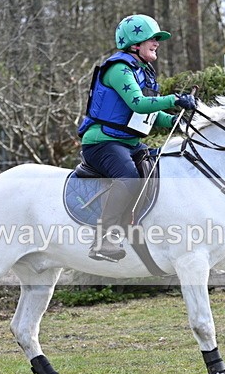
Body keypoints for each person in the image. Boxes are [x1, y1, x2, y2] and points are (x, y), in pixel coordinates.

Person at [78, 14, 196, 262]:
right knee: (129, 177)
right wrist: (175, 99)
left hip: (129, 144)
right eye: (152, 39)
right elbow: (139, 104)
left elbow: (149, 115)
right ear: (134, 44)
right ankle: (104, 239)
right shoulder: (119, 69)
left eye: (157, 39)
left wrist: (178, 122)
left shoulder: (143, 71)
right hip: (102, 142)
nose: (157, 43)